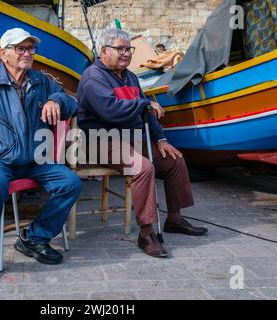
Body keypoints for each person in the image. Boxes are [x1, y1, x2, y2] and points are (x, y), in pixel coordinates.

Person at [0, 28, 82, 282]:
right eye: (20, 48)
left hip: (34, 159)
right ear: (4, 54)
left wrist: (57, 99)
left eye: (30, 48)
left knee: (71, 183)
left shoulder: (42, 82)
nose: (27, 53)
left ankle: (34, 237)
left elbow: (72, 104)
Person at [76, 29, 207, 258]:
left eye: (129, 49)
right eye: (120, 49)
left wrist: (160, 138)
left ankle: (174, 218)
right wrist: (143, 105)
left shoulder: (130, 76)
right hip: (100, 140)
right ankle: (146, 233)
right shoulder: (93, 77)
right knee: (143, 167)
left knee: (173, 159)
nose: (126, 53)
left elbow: (147, 109)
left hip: (131, 139)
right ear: (104, 51)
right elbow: (111, 111)